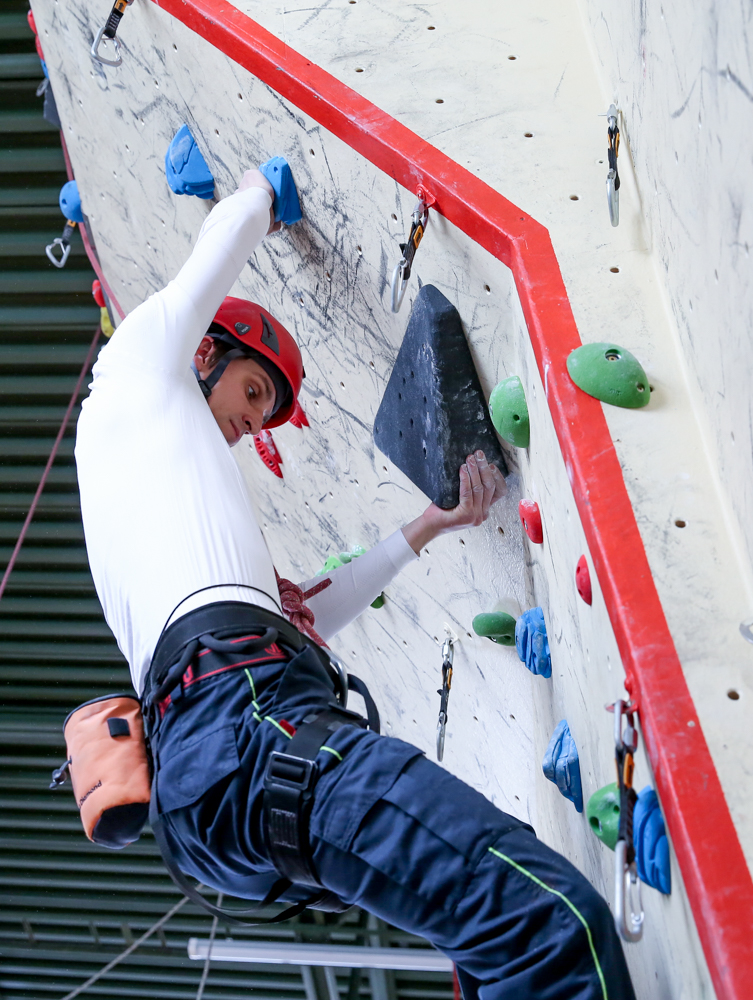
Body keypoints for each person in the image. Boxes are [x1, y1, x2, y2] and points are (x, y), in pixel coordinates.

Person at [74, 164, 635, 1000]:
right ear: (203, 353)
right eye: (253, 391)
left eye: (264, 416)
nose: (251, 422)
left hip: (229, 775)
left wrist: (430, 526)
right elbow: (217, 250)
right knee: (550, 926)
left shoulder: (175, 525)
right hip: (246, 730)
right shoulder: (136, 375)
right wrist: (270, 188)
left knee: (492, 940)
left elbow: (309, 619)